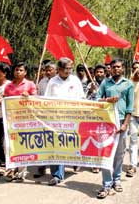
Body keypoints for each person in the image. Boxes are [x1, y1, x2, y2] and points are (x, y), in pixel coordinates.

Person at [96, 58, 134, 199]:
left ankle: (116, 180)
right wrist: (107, 100)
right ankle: (106, 183)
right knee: (105, 153)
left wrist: (125, 125)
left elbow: (130, 107)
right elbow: (96, 99)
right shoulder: (106, 83)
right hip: (107, 122)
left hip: (122, 122)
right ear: (110, 69)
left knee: (119, 153)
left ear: (123, 68)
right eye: (113, 67)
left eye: (118, 67)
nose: (116, 69)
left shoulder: (128, 84)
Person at [44, 57, 85, 186]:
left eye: (70, 69)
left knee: (70, 144)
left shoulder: (75, 80)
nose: (68, 71)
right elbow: (46, 99)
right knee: (56, 145)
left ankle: (74, 161)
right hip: (56, 119)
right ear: (59, 69)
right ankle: (57, 175)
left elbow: (82, 98)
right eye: (65, 69)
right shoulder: (52, 82)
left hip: (72, 119)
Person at [3, 62, 37, 182]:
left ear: (25, 72)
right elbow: (4, 101)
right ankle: (11, 169)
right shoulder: (8, 86)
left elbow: (36, 101)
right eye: (16, 70)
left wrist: (28, 96)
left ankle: (21, 173)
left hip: (24, 120)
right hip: (11, 120)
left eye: (21, 70)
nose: (18, 72)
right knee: (8, 145)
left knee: (22, 146)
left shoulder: (30, 85)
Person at [33, 61, 57, 178]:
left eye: (50, 70)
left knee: (55, 142)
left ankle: (57, 171)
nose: (48, 72)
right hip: (42, 115)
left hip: (56, 117)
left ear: (56, 70)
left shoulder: (59, 82)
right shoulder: (41, 82)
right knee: (41, 141)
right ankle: (41, 168)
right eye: (46, 70)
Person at [86, 64, 106, 173]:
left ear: (105, 73)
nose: (99, 74)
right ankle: (95, 163)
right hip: (93, 116)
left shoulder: (108, 84)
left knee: (103, 140)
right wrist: (90, 91)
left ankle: (104, 161)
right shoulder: (90, 85)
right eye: (97, 72)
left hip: (105, 116)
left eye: (101, 72)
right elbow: (84, 99)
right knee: (93, 140)